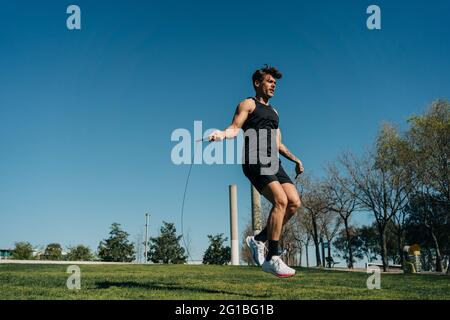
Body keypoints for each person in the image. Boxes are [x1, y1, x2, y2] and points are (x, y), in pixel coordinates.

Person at [208, 65, 304, 278]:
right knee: (280, 200)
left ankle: (259, 239)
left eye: (275, 83)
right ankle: (274, 258)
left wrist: (295, 159)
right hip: (254, 159)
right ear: (257, 83)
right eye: (270, 82)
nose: (273, 86)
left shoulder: (275, 112)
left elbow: (278, 143)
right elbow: (234, 127)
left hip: (273, 162)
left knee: (294, 202)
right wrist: (222, 135)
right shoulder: (248, 104)